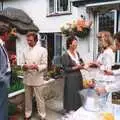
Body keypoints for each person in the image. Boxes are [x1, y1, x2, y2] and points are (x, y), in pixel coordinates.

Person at [22, 32, 48, 120]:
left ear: (36, 40)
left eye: (31, 40)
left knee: (40, 99)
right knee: (27, 98)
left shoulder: (43, 50)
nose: (28, 42)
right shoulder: (24, 50)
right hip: (27, 77)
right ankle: (27, 114)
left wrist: (37, 66)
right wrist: (24, 66)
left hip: (38, 77)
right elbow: (22, 64)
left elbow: (45, 65)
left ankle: (42, 115)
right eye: (27, 40)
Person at [61, 36, 84, 113]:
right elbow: (66, 69)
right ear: (70, 45)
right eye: (74, 44)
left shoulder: (77, 53)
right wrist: (77, 67)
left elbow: (80, 61)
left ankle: (77, 109)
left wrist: (82, 64)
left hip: (78, 76)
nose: (76, 45)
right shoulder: (65, 55)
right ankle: (70, 110)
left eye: (76, 43)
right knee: (71, 93)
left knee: (78, 93)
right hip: (70, 78)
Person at [0, 25, 11, 120]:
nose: (9, 36)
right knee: (2, 105)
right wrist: (3, 79)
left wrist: (9, 59)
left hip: (3, 79)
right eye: (9, 34)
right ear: (5, 34)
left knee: (3, 103)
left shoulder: (2, 45)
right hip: (2, 81)